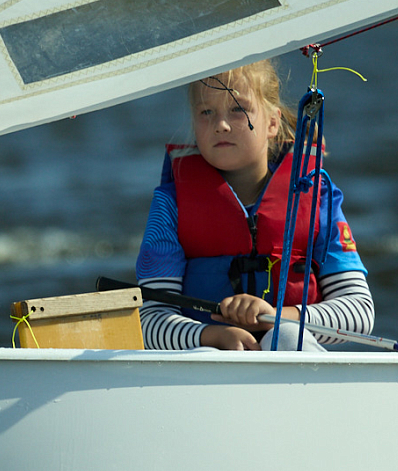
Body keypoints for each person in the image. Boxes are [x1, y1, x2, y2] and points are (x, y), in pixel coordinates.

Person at [135, 59, 373, 350]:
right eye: (206, 112)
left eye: (238, 110)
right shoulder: (170, 205)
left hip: (290, 353)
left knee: (283, 337)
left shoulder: (318, 199)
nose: (220, 125)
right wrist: (212, 336)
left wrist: (276, 318)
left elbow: (360, 313)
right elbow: (149, 320)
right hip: (208, 358)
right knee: (208, 355)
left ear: (272, 122)